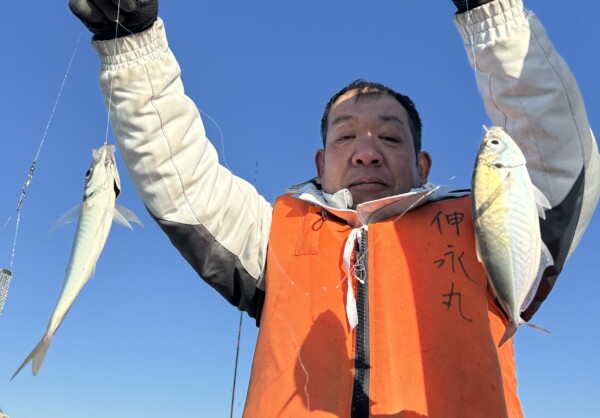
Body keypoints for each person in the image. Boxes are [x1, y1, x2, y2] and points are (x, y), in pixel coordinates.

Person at [68, 0, 599, 417]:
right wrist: (131, 43)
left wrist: (495, 16)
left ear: (423, 163)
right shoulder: (272, 234)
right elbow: (179, 174)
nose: (367, 149)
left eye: (390, 138)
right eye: (346, 136)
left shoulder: (484, 224)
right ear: (320, 163)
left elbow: (559, 162)